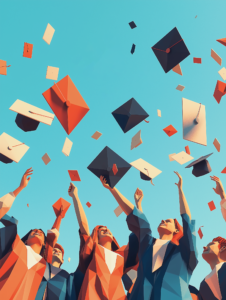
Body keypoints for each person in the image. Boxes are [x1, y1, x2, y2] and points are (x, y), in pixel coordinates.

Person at [100, 171, 198, 300]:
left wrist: (180, 190)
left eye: (168, 221)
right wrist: (113, 189)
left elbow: (187, 221)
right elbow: (136, 217)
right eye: (163, 220)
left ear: (176, 230)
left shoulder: (182, 252)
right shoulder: (147, 244)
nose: (163, 221)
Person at [67, 182, 139, 300]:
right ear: (95, 235)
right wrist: (75, 196)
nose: (105, 229)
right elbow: (84, 226)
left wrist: (138, 206)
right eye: (101, 229)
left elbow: (139, 235)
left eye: (108, 229)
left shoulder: (120, 256)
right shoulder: (92, 251)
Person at [0, 168, 60, 300]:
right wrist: (19, 188)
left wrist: (59, 218)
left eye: (40, 232)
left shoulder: (44, 267)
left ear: (44, 243)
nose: (38, 231)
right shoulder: (14, 244)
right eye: (34, 231)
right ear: (26, 240)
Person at [198, 175, 226, 300]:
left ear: (223, 248)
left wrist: (222, 196)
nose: (204, 246)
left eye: (211, 244)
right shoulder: (203, 284)